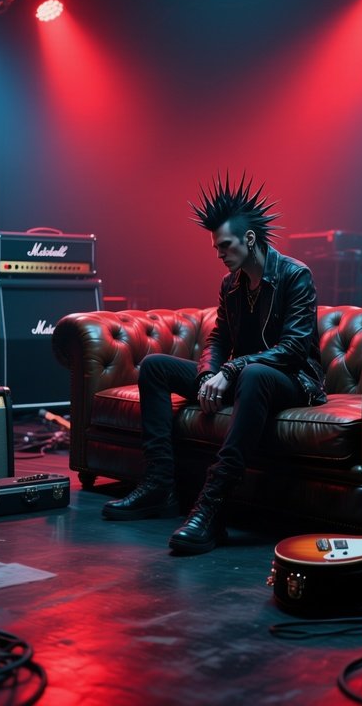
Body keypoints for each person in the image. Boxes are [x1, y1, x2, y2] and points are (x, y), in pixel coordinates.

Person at [102, 173, 326, 554]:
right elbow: (219, 338)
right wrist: (209, 374)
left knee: (255, 373)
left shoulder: (294, 275)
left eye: (225, 246)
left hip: (292, 381)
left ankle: (212, 507)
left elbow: (292, 349)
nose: (219, 254)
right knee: (156, 366)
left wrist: (231, 371)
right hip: (244, 377)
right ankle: (159, 485)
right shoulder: (231, 283)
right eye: (216, 247)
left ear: (249, 239)